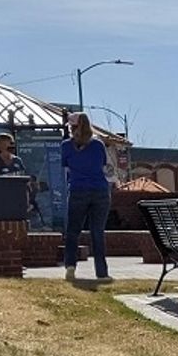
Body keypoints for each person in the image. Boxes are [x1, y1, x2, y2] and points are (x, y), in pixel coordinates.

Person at [62, 113, 113, 283]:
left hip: (78, 190)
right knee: (97, 232)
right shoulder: (98, 145)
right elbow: (104, 165)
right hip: (100, 191)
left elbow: (66, 166)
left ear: (72, 127)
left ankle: (70, 266)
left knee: (72, 231)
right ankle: (102, 272)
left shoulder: (66, 146)